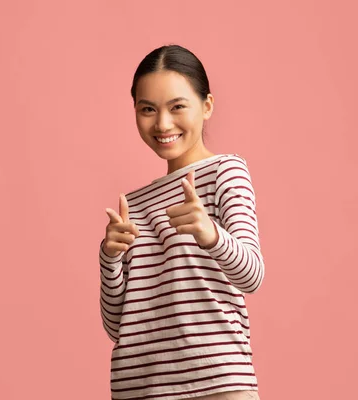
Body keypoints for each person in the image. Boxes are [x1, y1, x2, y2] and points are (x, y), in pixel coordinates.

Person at [99, 44, 265, 400]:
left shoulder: (225, 171)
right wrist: (109, 259)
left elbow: (252, 275)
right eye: (148, 109)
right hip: (137, 389)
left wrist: (211, 235)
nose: (162, 123)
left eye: (177, 107)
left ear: (206, 106)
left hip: (217, 385)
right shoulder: (135, 204)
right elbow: (117, 328)